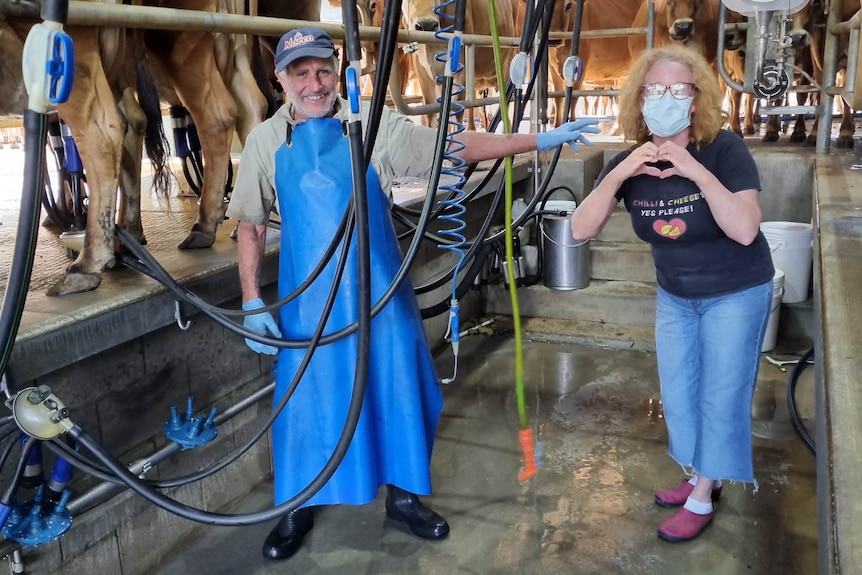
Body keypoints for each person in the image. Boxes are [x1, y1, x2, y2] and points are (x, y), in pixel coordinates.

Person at [225, 26, 599, 562]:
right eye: (301, 72)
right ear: (281, 79)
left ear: (339, 73)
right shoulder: (265, 142)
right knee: (306, 407)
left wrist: (539, 140)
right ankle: (298, 507)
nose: (314, 83)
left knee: (402, 393)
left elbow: (454, 145)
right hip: (311, 309)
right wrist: (251, 301)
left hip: (380, 298)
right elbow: (250, 226)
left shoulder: (372, 125)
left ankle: (403, 499)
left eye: (323, 70)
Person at [570, 44, 774, 543]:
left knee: (721, 394)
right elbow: (579, 228)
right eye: (654, 89)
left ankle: (705, 493)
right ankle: (696, 474)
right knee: (680, 394)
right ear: (639, 102)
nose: (665, 98)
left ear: (695, 99)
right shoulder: (629, 162)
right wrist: (621, 171)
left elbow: (746, 229)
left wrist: (693, 170)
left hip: (736, 290)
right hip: (676, 296)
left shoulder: (724, 150)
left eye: (677, 90)